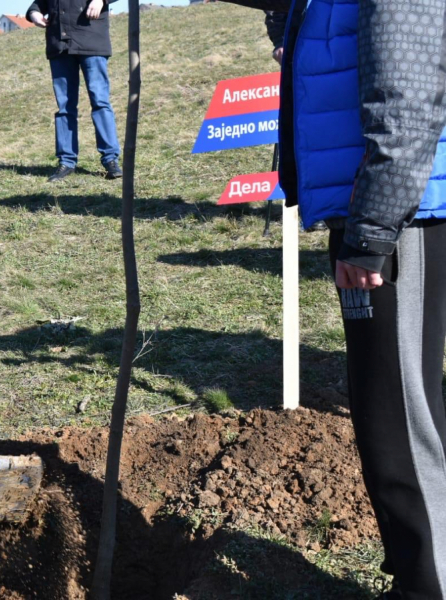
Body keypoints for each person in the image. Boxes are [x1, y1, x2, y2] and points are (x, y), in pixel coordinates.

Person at [223, 1, 446, 597]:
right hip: (377, 208)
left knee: (398, 417)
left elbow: (407, 93)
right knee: (386, 410)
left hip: (396, 215)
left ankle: (430, 585)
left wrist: (372, 230)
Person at [26, 0, 122, 182]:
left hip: (92, 41)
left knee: (100, 102)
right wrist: (34, 14)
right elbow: (38, 4)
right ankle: (66, 161)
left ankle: (111, 159)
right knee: (64, 108)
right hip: (60, 47)